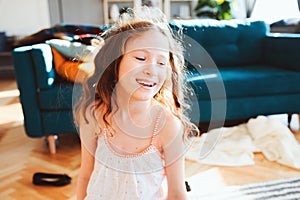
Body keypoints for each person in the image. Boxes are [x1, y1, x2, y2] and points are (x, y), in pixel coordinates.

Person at [75, 6, 199, 200]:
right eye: (141, 58)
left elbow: (176, 194)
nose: (152, 70)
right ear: (115, 63)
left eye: (161, 63)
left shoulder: (167, 126)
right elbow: (85, 176)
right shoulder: (95, 115)